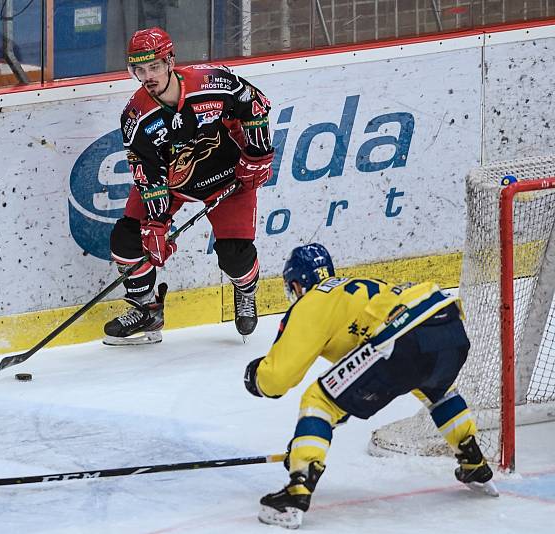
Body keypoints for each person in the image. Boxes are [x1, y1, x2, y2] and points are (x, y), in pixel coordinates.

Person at [243, 243, 498, 529]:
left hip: (404, 336)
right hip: (446, 322)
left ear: (296, 284)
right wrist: (309, 437)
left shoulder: (313, 300)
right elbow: (361, 382)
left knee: (318, 401)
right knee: (436, 390)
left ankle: (297, 490)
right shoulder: (359, 287)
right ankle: (474, 462)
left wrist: (255, 378)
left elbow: (277, 379)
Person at [103, 27, 275, 346]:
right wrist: (155, 224)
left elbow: (254, 103)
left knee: (234, 256)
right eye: (139, 69)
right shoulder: (136, 116)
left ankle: (246, 289)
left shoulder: (210, 82)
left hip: (228, 176)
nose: (147, 76)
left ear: (170, 62)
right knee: (127, 239)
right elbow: (147, 172)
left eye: (153, 66)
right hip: (173, 184)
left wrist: (259, 154)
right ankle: (147, 309)